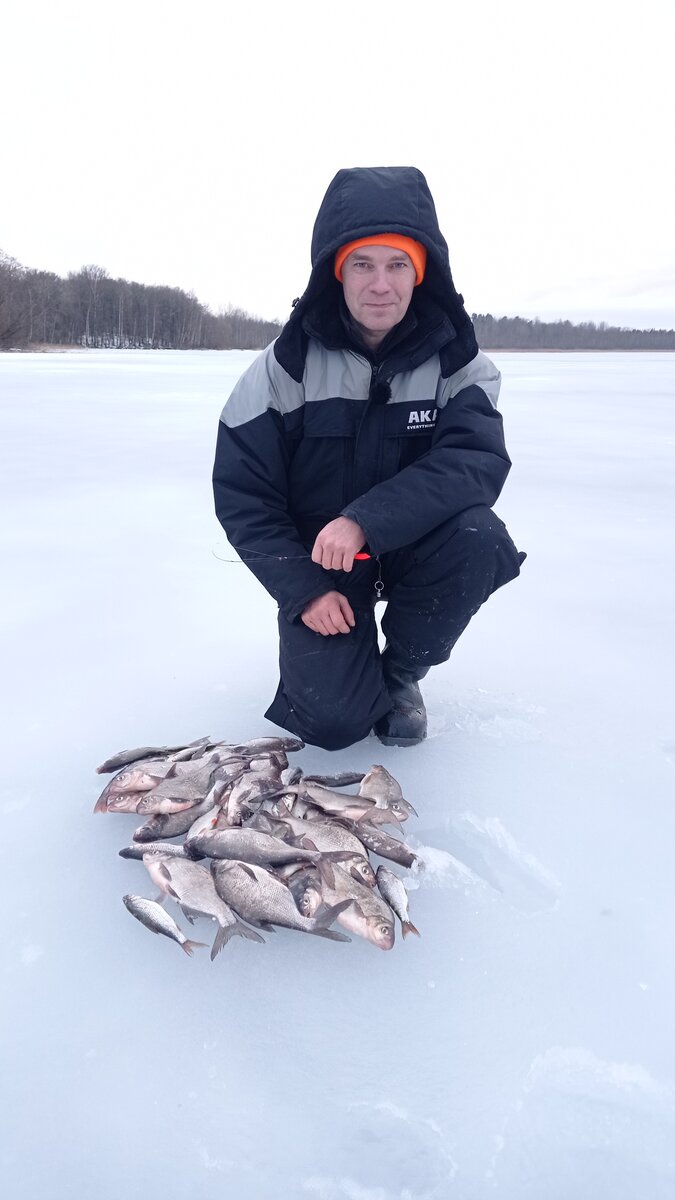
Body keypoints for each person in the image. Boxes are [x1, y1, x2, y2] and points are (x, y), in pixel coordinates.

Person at [213, 165, 524, 751]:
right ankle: (343, 666)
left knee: (480, 536)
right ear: (337, 272)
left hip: (411, 548)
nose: (380, 284)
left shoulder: (461, 367)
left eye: (397, 264)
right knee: (332, 725)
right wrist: (303, 590)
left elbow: (475, 463)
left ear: (420, 272)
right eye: (363, 264)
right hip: (323, 566)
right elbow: (243, 496)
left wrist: (366, 519)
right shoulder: (284, 370)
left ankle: (401, 670)